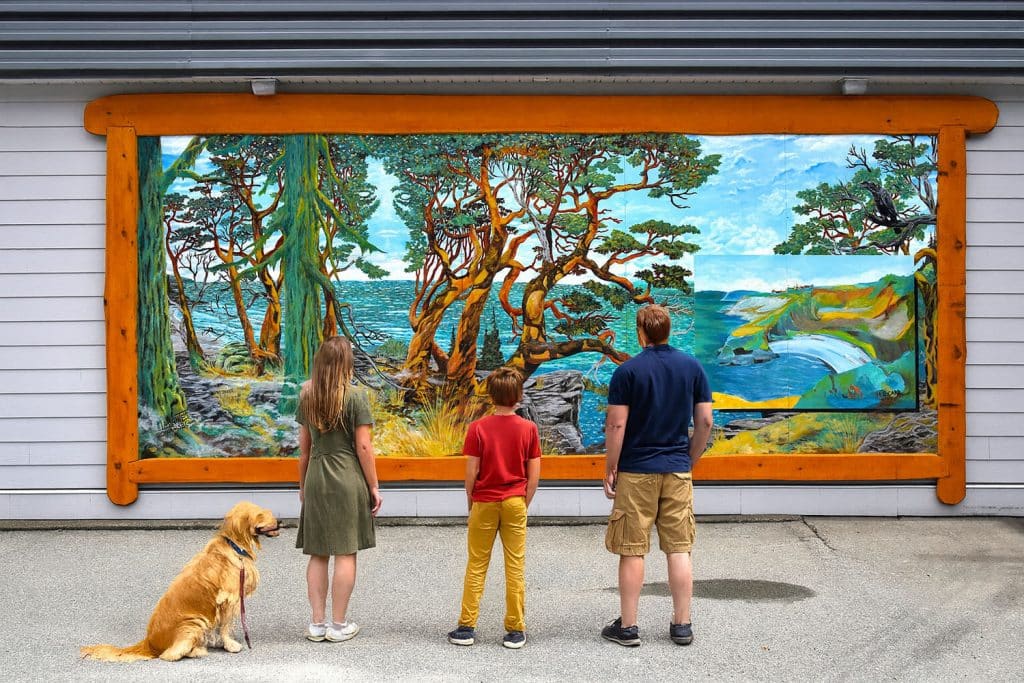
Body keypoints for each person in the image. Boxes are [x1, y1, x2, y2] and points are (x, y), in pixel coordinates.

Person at [601, 304, 713, 647]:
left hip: (637, 471)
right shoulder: (692, 367)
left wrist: (611, 467)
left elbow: (617, 424)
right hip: (677, 469)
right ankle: (682, 625)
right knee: (679, 548)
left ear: (640, 333)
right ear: (669, 330)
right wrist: (688, 458)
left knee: (633, 549)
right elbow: (705, 422)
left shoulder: (627, 372)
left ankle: (629, 627)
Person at [295, 335, 383, 643]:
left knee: (318, 553)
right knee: (346, 552)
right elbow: (363, 446)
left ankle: (316, 625)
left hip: (317, 476)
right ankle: (338, 624)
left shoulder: (307, 396)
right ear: (346, 363)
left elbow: (304, 451)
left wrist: (303, 486)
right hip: (347, 478)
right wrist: (374, 485)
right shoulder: (356, 397)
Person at [447, 367, 542, 650]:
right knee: (515, 565)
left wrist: (470, 501)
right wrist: (524, 501)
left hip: (484, 501)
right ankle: (515, 629)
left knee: (477, 563)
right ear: (518, 396)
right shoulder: (529, 429)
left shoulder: (478, 428)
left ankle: (466, 626)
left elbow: (471, 472)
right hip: (515, 501)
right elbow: (534, 473)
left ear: (490, 395)